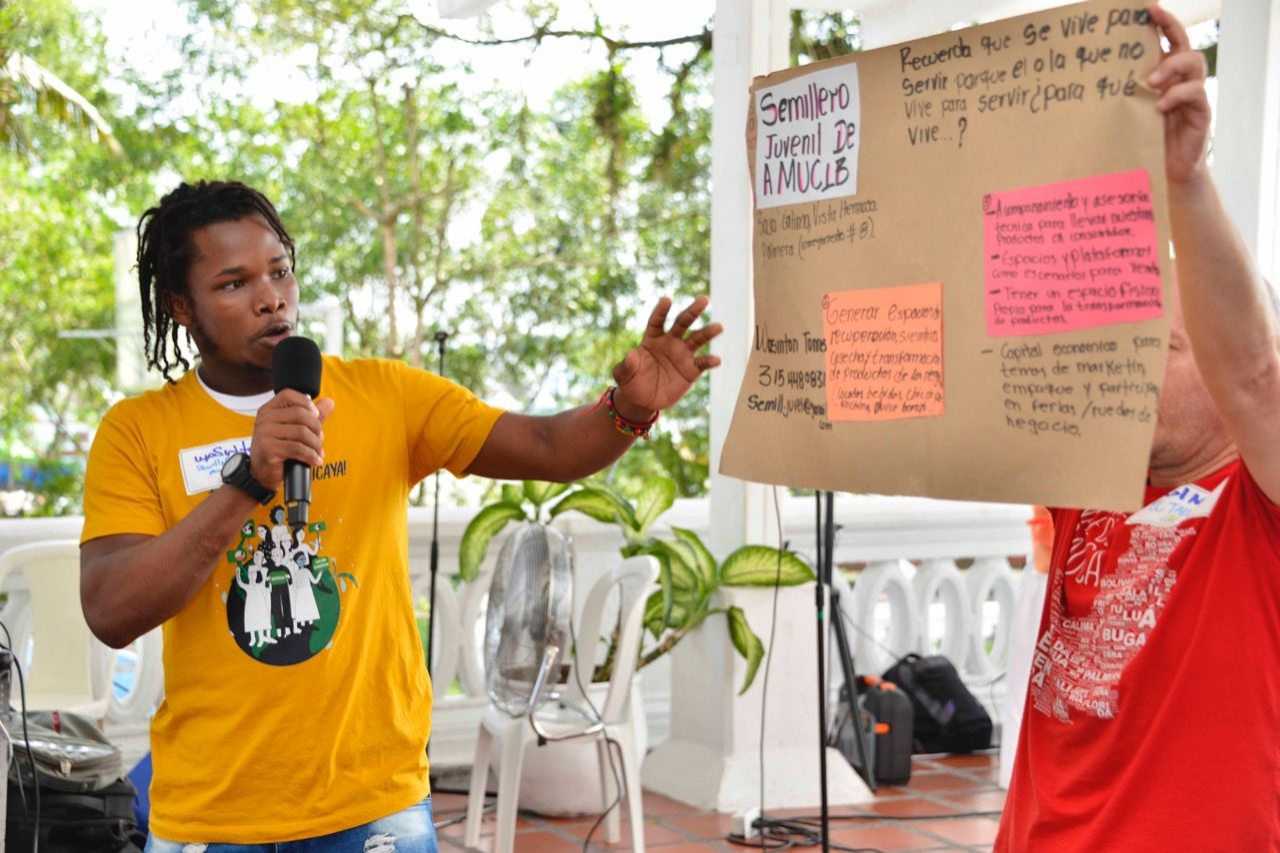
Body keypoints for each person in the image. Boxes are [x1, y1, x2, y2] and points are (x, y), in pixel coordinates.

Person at [78, 178, 723, 851]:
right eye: (235, 283)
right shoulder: (138, 431)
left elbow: (547, 446)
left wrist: (631, 409)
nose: (272, 297)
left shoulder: (383, 394)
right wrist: (247, 481)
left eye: (280, 270)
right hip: (211, 814)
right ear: (182, 305)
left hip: (372, 803)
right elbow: (110, 606)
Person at [996, 5, 1280, 851]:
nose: (1128, 359)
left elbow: (1256, 380)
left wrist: (1184, 181)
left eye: (1165, 344)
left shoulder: (1255, 503)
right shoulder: (1086, 475)